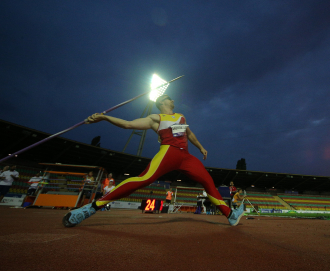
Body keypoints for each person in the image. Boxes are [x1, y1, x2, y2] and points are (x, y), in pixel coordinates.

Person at [63, 94, 245, 227]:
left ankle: (229, 215)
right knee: (144, 179)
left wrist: (201, 147)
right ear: (160, 102)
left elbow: (189, 134)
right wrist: (104, 117)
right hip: (169, 153)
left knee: (207, 181)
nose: (173, 99)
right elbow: (128, 124)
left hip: (186, 157)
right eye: (169, 97)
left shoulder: (180, 116)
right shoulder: (155, 119)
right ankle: (90, 208)